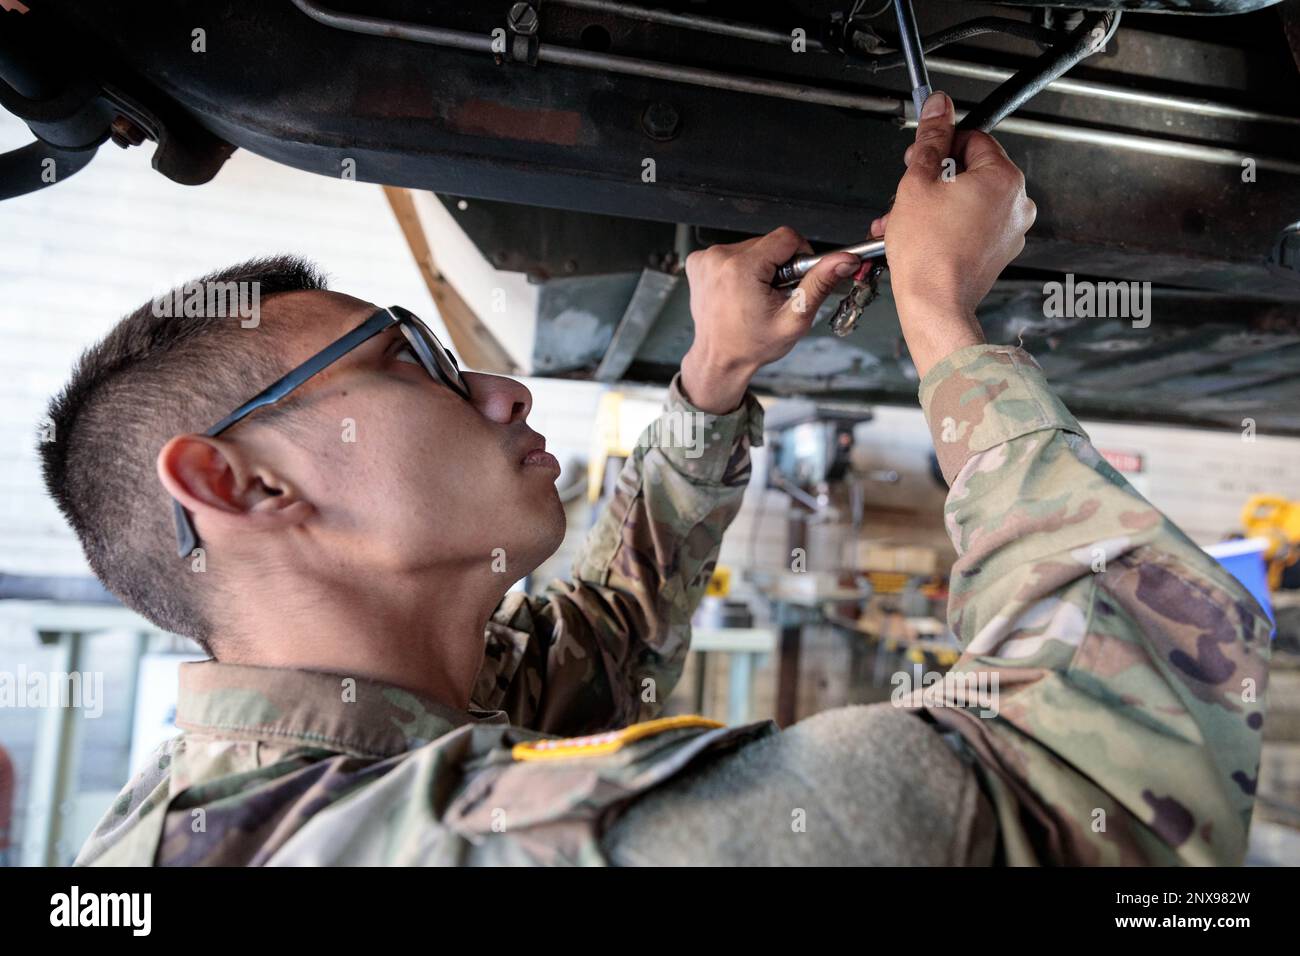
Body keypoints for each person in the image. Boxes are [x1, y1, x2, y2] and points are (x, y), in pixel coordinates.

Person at [45, 91, 1269, 866]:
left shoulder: (315, 753)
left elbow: (597, 645)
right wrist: (938, 315)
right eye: (410, 361)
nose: (505, 392)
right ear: (239, 481)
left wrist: (714, 378)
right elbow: (1105, 772)